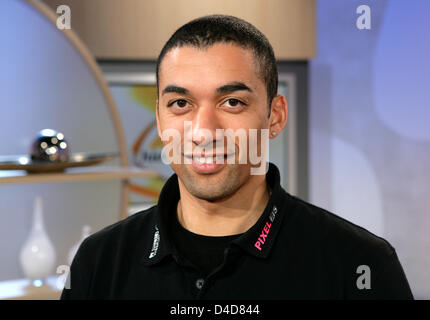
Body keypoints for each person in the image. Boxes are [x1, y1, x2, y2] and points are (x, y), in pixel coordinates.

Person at [61, 14, 413, 300]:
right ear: (159, 118)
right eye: (180, 104)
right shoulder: (99, 262)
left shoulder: (359, 265)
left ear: (274, 116)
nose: (203, 131)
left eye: (232, 102)